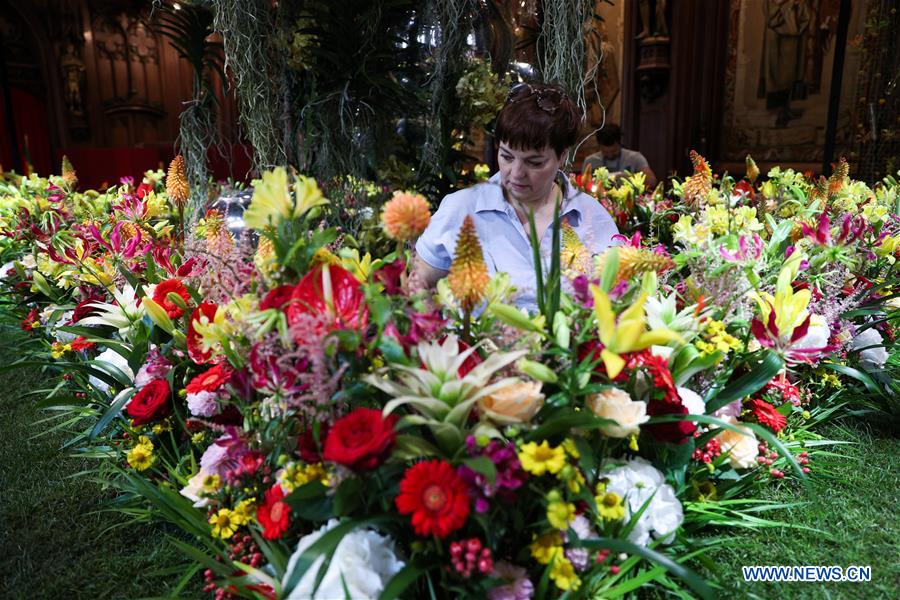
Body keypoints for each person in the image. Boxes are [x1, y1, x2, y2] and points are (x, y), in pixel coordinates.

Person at [414, 82, 620, 313]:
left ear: (562, 156)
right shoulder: (461, 209)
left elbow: (618, 298)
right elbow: (419, 285)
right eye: (507, 156)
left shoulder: (591, 217)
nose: (516, 173)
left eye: (535, 162)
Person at [582, 123, 657, 188]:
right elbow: (582, 186)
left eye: (614, 151)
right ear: (599, 146)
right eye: (605, 152)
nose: (610, 155)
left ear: (620, 144)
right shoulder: (590, 161)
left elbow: (652, 181)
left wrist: (628, 177)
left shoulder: (635, 158)